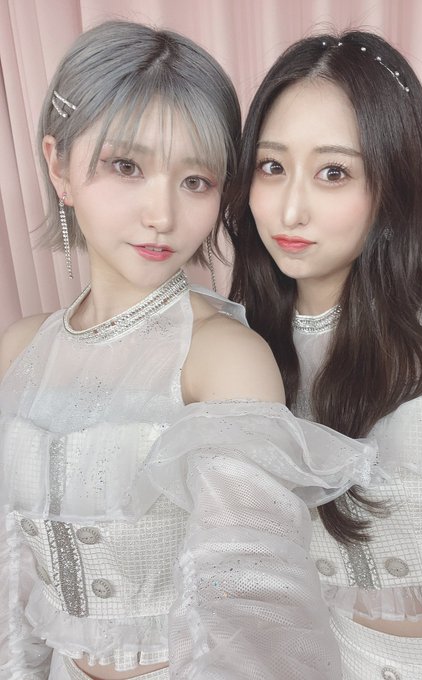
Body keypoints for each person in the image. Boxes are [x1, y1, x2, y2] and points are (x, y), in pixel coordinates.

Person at [0, 21, 376, 680]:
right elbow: (14, 578)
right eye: (126, 166)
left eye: (196, 180)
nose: (163, 215)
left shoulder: (223, 356)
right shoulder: (20, 348)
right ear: (59, 167)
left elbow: (253, 607)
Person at [228, 29, 422, 679]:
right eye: (272, 167)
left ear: (391, 181)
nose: (290, 208)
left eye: (334, 172)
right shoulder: (241, 353)